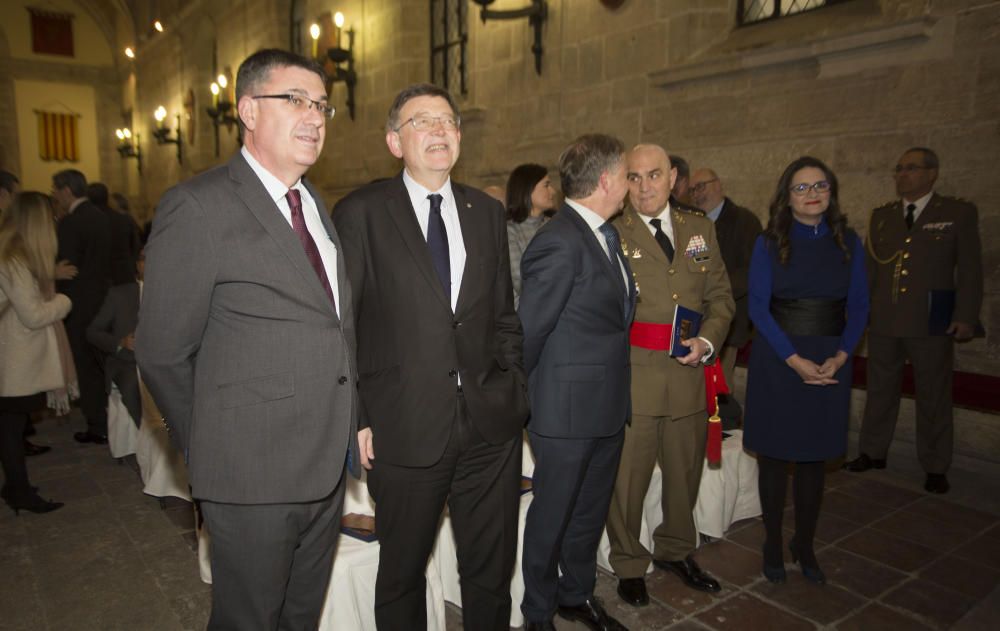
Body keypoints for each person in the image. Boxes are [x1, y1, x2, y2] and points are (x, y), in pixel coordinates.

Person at [136, 48, 359, 630]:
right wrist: (213, 449)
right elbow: (162, 353)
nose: (314, 117)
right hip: (250, 473)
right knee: (249, 620)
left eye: (321, 105)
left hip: (323, 465)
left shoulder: (313, 203)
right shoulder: (199, 205)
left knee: (299, 618)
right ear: (248, 111)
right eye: (295, 101)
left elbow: (333, 325)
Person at [333, 83, 528, 631]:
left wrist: (514, 388)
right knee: (401, 574)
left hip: (491, 426)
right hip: (405, 426)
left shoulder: (487, 213)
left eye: (447, 121)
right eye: (422, 122)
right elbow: (344, 327)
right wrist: (360, 418)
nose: (439, 130)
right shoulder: (362, 214)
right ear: (395, 141)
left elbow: (503, 316)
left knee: (490, 571)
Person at [606, 145, 734, 606]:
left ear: (673, 176)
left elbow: (721, 297)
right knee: (628, 480)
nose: (644, 186)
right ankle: (627, 561)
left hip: (687, 372)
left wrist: (708, 341)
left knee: (684, 473)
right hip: (634, 377)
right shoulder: (611, 231)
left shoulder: (699, 228)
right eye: (634, 177)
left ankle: (676, 550)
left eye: (653, 175)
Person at [518, 134, 635, 631]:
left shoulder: (604, 234)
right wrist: (523, 403)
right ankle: (537, 613)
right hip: (564, 413)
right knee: (552, 519)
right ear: (606, 179)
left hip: (606, 405)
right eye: (628, 174)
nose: (631, 185)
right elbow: (528, 331)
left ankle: (576, 593)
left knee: (588, 514)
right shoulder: (560, 239)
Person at [743, 156, 869, 584]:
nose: (812, 194)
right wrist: (794, 361)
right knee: (775, 459)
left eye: (820, 186)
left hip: (830, 359)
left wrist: (842, 355)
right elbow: (758, 308)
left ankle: (806, 543)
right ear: (787, 196)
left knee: (816, 461)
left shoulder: (848, 241)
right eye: (802, 187)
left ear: (831, 193)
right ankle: (773, 542)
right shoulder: (768, 242)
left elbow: (860, 306)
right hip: (780, 359)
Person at [847, 148, 983, 494]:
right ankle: (872, 451)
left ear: (932, 174)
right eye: (899, 169)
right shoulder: (883, 216)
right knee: (880, 390)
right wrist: (860, 314)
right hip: (885, 320)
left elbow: (969, 269)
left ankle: (936, 464)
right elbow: (870, 272)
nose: (902, 175)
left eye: (911, 168)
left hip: (930, 321)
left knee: (933, 395)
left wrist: (965, 316)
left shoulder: (956, 213)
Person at [0, 191, 73, 515]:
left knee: (11, 427)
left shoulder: (13, 255)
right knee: (10, 430)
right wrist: (64, 302)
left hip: (13, 355)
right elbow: (32, 315)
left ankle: (16, 485)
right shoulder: (13, 260)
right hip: (13, 359)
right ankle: (18, 491)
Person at [52, 169, 112, 444]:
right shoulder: (103, 216)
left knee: (86, 366)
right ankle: (110, 417)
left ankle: (97, 424)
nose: (54, 195)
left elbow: (68, 267)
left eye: (55, 190)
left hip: (78, 304)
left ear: (66, 190)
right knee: (101, 364)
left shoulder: (70, 223)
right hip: (105, 300)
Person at [689, 168, 763, 386]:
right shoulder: (693, 225)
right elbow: (696, 265)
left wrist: (714, 290)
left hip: (730, 320)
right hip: (698, 318)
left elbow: (752, 271)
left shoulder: (745, 221)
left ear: (718, 185)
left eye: (701, 186)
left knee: (719, 388)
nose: (696, 194)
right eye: (692, 190)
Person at [86, 251, 143, 428]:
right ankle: (151, 435)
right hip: (127, 364)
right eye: (143, 259)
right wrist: (120, 342)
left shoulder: (173, 294)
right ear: (138, 265)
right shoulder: (120, 295)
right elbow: (93, 332)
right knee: (134, 387)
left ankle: (173, 438)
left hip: (165, 364)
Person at [505, 163, 556, 307]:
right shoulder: (509, 231)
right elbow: (520, 280)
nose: (552, 191)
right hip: (526, 315)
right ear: (528, 189)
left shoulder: (556, 225)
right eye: (546, 185)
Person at [87, 182, 140, 286]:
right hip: (124, 276)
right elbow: (135, 246)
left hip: (98, 280)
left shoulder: (88, 222)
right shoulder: (124, 219)